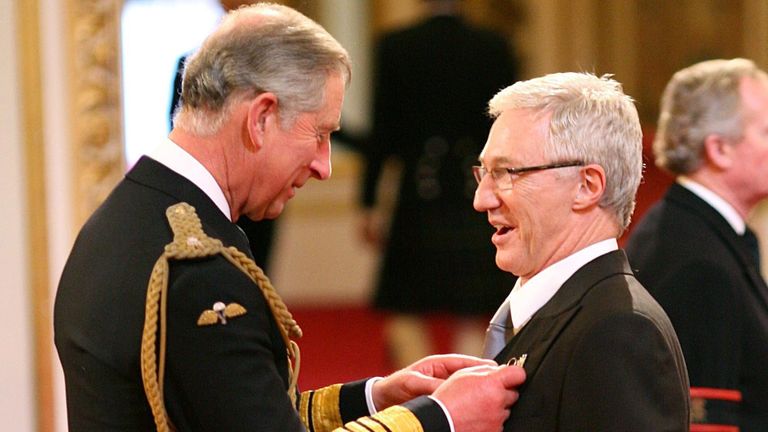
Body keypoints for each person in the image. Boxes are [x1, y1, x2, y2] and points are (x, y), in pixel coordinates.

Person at [53, 4, 526, 432]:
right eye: (318, 134)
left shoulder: (133, 216)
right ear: (261, 118)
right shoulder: (198, 271)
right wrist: (439, 418)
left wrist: (376, 396)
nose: (324, 165)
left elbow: (237, 409)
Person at [473, 72, 690, 430]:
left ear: (587, 186)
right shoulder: (559, 313)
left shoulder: (618, 331)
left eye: (507, 172)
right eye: (484, 173)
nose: (482, 199)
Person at [360, 0, 519, 368]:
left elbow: (382, 133)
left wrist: (368, 203)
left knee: (405, 306)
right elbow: (509, 133)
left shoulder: (395, 46)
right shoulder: (494, 46)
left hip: (416, 195)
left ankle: (419, 397)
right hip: (476, 193)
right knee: (472, 306)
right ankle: (462, 392)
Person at [625, 58, 768, 431]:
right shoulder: (697, 263)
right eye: (767, 131)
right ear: (719, 149)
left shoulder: (698, 229)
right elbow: (704, 424)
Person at [170, 0, 277, 273]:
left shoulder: (276, 71)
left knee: (257, 269)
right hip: (210, 189)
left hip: (262, 185)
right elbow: (178, 129)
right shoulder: (190, 64)